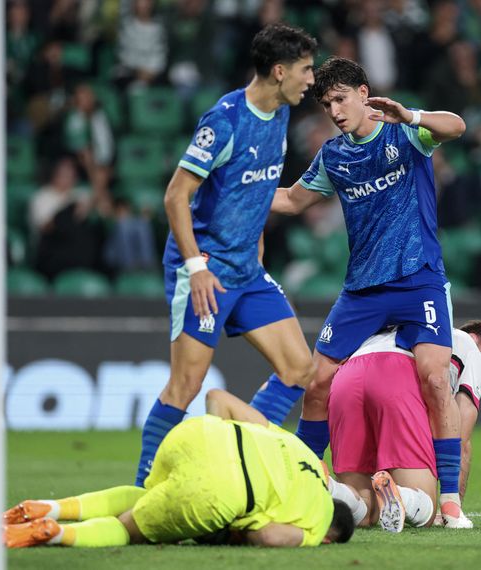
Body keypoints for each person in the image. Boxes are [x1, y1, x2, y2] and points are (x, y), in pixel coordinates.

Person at [269, 56, 468, 523]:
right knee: (316, 381)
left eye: (341, 99)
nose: (335, 111)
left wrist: (413, 116)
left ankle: (451, 501)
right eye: (326, 104)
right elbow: (294, 200)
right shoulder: (334, 156)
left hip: (419, 279)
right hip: (362, 290)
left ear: (364, 93)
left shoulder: (405, 134)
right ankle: (300, 480)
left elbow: (456, 126)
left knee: (436, 379)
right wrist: (239, 191)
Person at [133, 24, 318, 488]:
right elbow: (176, 197)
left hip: (248, 272)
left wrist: (278, 218)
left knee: (300, 368)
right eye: (306, 70)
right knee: (186, 386)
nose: (311, 80)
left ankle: (240, 457)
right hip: (207, 270)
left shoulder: (279, 114)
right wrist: (196, 267)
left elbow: (249, 189)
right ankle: (145, 490)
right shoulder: (224, 120)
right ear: (279, 71)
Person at [3, 401, 355, 549]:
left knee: (148, 497)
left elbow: (219, 396)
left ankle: (47, 507)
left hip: (197, 435)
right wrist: (241, 532)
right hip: (220, 490)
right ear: (329, 538)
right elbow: (272, 537)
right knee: (130, 529)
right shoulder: (317, 524)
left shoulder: (302, 453)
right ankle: (53, 532)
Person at [329, 320, 481, 531]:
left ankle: (328, 487)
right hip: (395, 375)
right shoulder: (466, 344)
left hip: (346, 379)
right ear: (473, 337)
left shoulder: (405, 327)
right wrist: (452, 505)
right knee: (426, 506)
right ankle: (405, 498)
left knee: (365, 512)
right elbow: (461, 436)